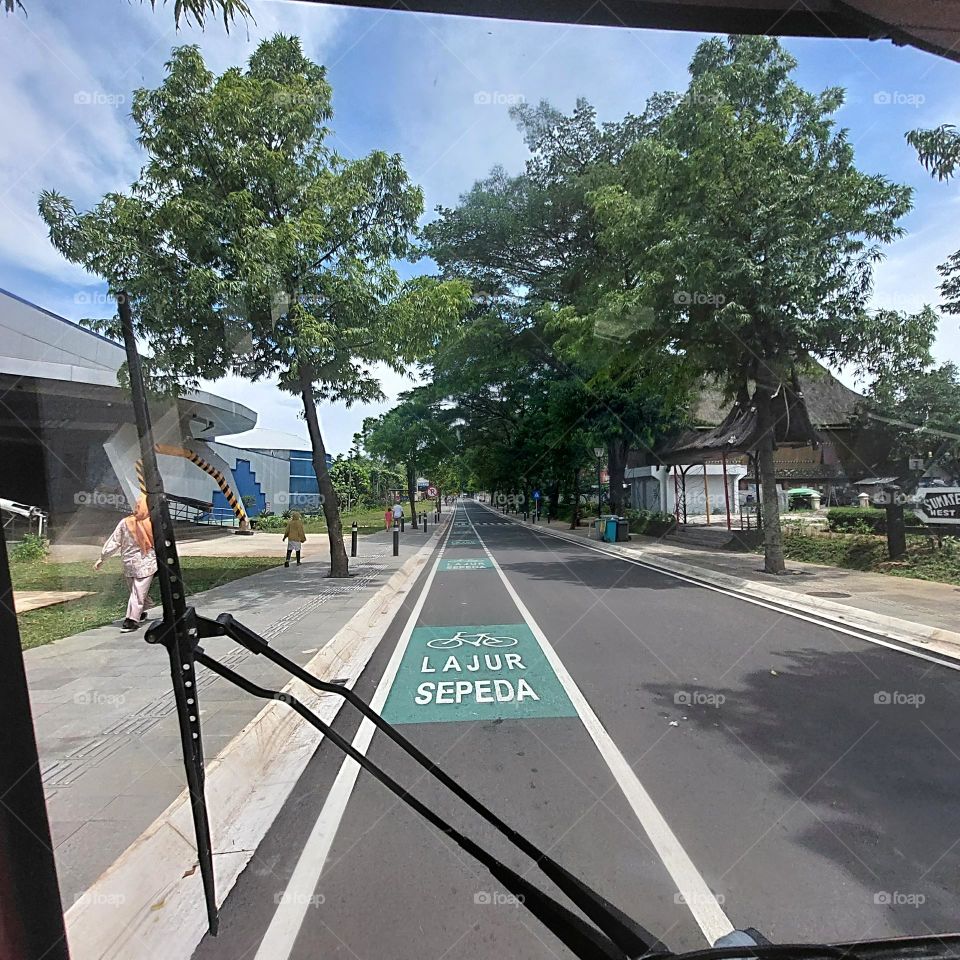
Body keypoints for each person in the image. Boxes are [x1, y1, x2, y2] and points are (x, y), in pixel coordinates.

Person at [94, 495, 157, 633]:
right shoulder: (152, 523)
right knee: (138, 592)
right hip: (147, 562)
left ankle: (139, 613)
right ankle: (131, 621)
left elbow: (114, 541)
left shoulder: (125, 522)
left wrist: (102, 558)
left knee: (136, 591)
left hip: (128, 563)